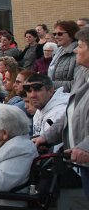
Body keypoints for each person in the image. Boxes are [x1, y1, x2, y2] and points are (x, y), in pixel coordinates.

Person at [35, 26, 89, 199]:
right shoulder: (82, 76)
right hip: (82, 161)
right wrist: (47, 137)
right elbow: (70, 114)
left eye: (80, 46)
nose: (75, 50)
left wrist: (85, 147)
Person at [49, 20, 79, 92]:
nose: (56, 36)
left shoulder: (78, 53)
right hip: (54, 93)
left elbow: (77, 84)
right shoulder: (57, 51)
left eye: (60, 34)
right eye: (54, 34)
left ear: (71, 34)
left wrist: (48, 84)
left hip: (67, 97)